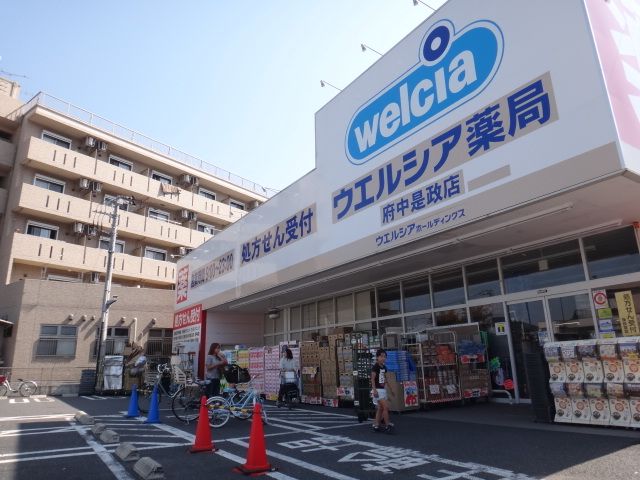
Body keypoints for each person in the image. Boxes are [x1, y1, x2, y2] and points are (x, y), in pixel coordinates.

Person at [371, 348, 393, 432]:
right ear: (377, 357)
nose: (383, 358)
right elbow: (372, 379)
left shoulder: (384, 367)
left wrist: (390, 389)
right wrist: (374, 390)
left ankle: (376, 425)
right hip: (377, 390)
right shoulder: (375, 367)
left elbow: (385, 379)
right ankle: (387, 425)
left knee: (380, 408)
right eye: (381, 356)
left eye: (384, 357)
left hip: (383, 390)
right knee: (385, 407)